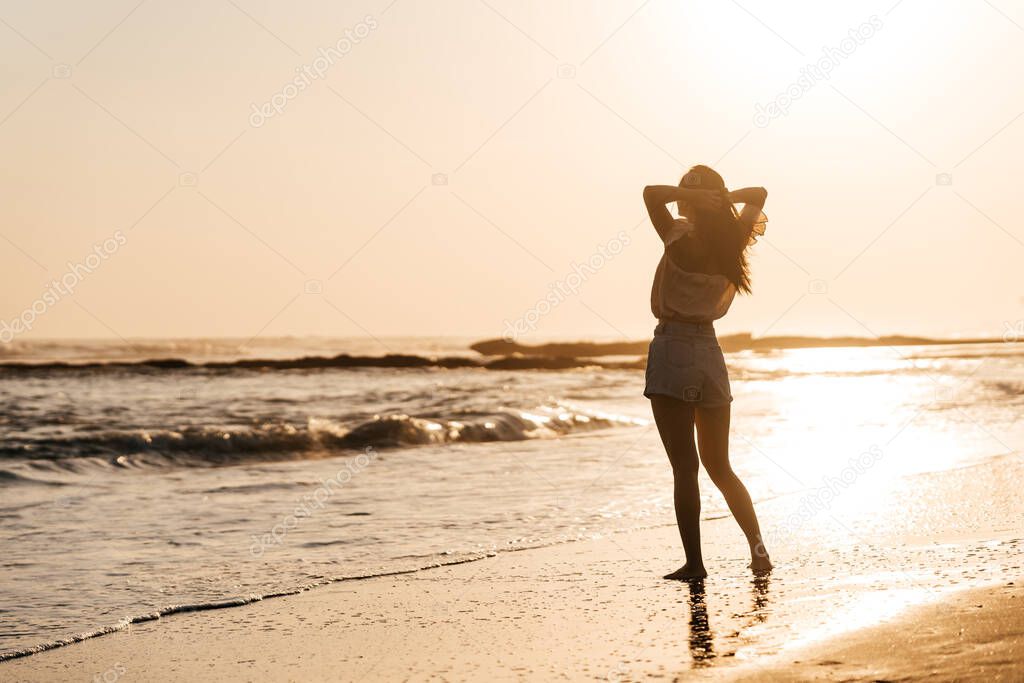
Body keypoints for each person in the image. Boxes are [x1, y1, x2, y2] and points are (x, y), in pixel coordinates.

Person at [642, 164, 771, 580]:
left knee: (685, 467)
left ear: (691, 200)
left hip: (673, 346)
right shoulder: (732, 241)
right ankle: (759, 551)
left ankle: (695, 564)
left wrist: (697, 198)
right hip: (711, 353)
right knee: (721, 466)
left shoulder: (678, 235)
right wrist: (721, 199)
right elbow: (760, 191)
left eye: (687, 195)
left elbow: (649, 193)